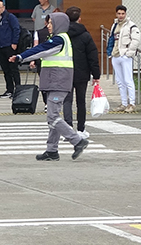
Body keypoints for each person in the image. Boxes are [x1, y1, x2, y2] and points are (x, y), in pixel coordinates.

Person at [9, 13, 89, 162]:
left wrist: (21, 57)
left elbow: (40, 50)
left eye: (51, 22)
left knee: (52, 116)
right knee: (54, 117)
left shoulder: (59, 40)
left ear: (59, 23)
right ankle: (52, 151)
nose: (48, 25)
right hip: (56, 81)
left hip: (58, 81)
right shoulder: (61, 39)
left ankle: (77, 140)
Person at [64, 6, 101, 132]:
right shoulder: (85, 35)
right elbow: (92, 56)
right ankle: (81, 129)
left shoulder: (62, 35)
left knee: (67, 101)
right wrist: (96, 75)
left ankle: (68, 128)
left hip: (65, 72)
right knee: (81, 102)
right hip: (82, 73)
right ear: (80, 18)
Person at [106, 4, 141, 113]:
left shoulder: (131, 26)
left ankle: (132, 103)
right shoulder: (115, 25)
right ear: (116, 14)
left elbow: (136, 39)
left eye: (123, 13)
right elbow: (112, 38)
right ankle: (124, 103)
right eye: (119, 13)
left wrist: (129, 53)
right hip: (116, 55)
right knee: (120, 81)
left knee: (128, 80)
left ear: (125, 14)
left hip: (124, 55)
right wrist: (110, 52)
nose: (121, 16)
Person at [0, 1, 22, 98]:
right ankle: (9, 89)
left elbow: (16, 29)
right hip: (0, 47)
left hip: (9, 46)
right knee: (5, 70)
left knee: (13, 69)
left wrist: (14, 42)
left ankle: (18, 89)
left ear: (3, 7)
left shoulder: (10, 17)